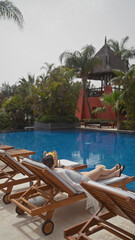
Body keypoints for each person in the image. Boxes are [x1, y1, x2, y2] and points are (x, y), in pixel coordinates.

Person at [41, 155, 125, 183]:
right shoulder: (58, 172)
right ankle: (112, 170)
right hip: (81, 180)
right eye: (54, 159)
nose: (55, 160)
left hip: (78, 176)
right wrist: (80, 186)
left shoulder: (52, 171)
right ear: (52, 163)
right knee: (99, 171)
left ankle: (115, 174)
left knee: (99, 177)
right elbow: (70, 183)